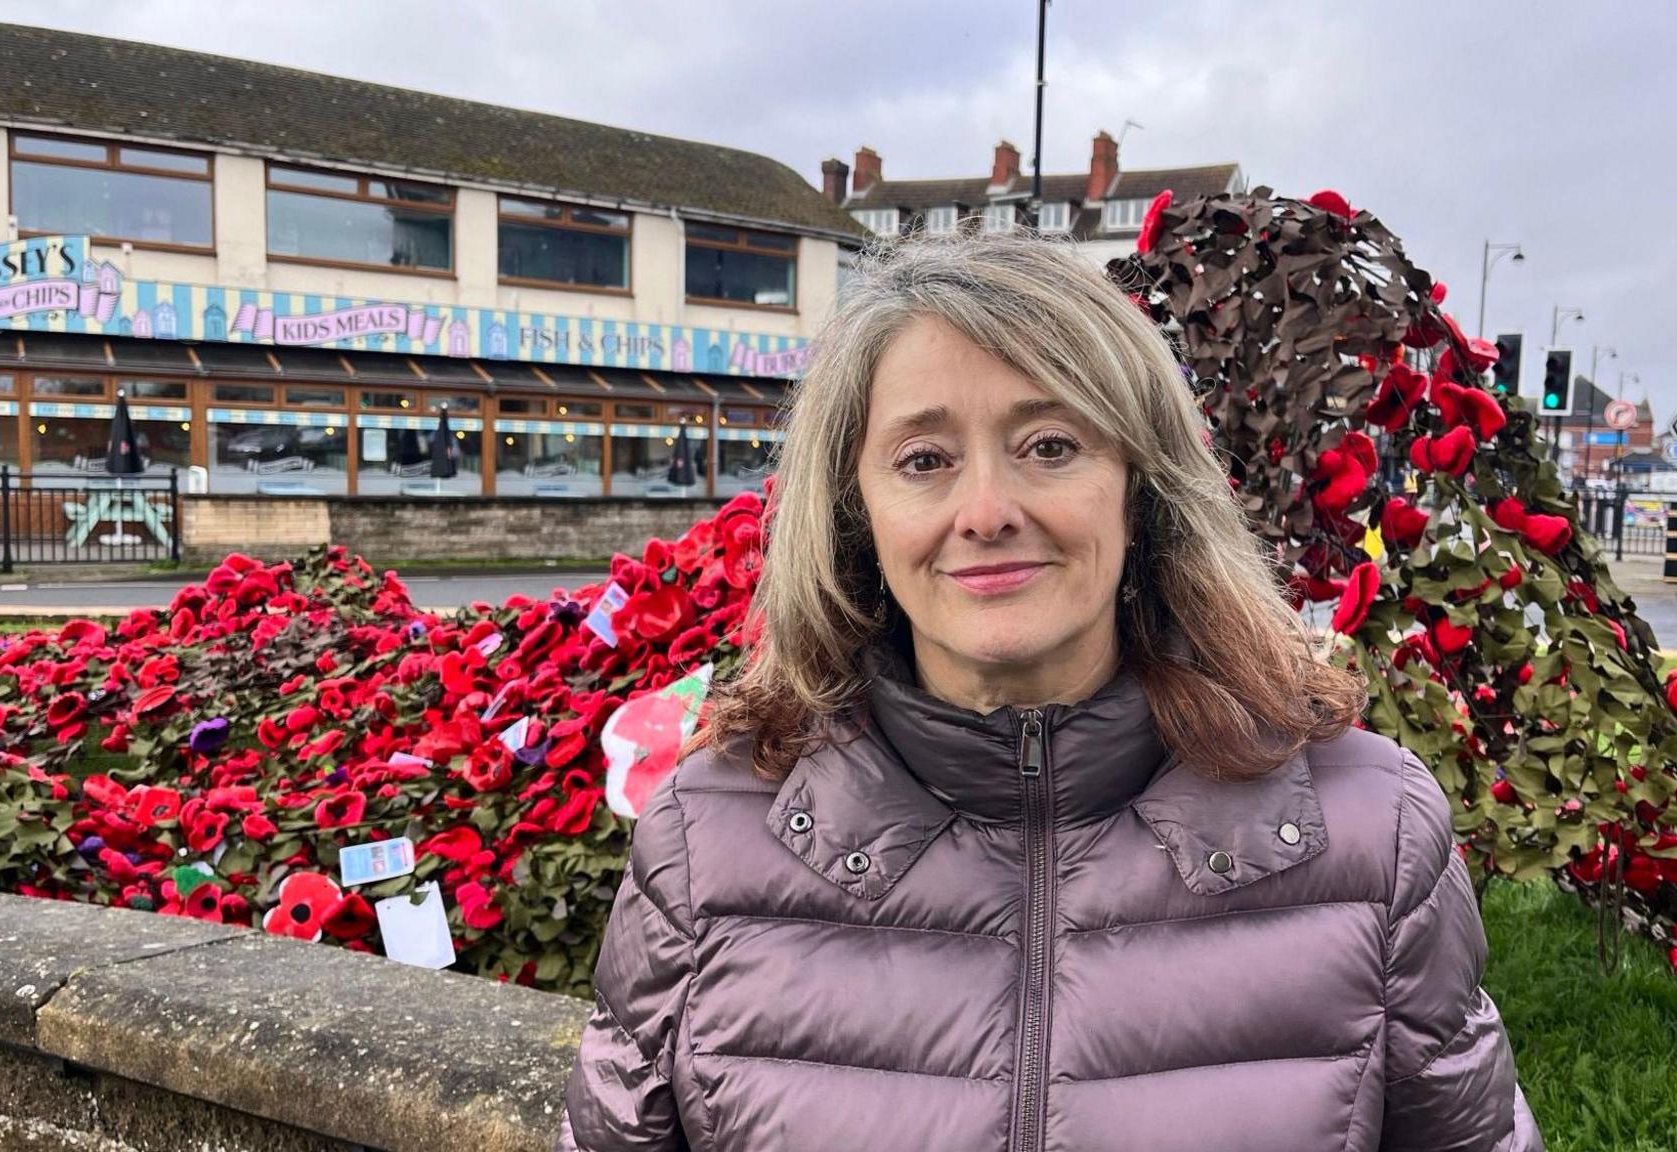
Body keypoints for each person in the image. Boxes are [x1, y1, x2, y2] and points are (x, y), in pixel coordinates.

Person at [557, 232, 1541, 1152]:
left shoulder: (1371, 832)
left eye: (1049, 445)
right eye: (924, 460)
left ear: (1139, 485)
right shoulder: (705, 841)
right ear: (855, 508)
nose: (985, 512)